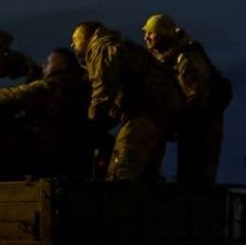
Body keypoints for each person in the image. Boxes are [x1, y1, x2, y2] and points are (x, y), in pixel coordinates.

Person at [71, 21, 182, 181]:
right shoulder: (118, 48)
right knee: (147, 177)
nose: (72, 44)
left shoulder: (101, 49)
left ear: (87, 37)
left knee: (120, 174)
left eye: (75, 38)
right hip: (161, 118)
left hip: (143, 116)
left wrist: (90, 124)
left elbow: (102, 91)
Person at [0, 48, 90, 177]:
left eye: (48, 62)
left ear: (62, 66)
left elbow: (14, 95)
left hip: (38, 147)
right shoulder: (72, 86)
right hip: (49, 148)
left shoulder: (54, 86)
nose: (44, 64)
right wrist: (25, 65)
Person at [142, 14, 229, 184]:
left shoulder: (187, 59)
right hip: (193, 125)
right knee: (189, 174)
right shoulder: (171, 58)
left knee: (197, 177)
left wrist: (175, 119)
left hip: (202, 126)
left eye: (151, 33)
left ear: (164, 34)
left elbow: (194, 97)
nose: (147, 38)